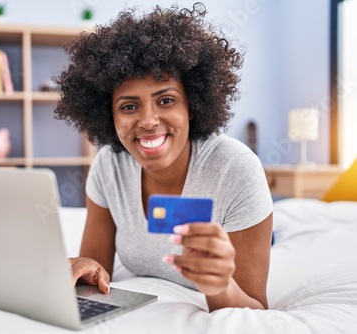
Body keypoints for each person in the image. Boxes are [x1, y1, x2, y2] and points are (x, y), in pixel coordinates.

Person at [54, 3, 273, 312]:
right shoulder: (109, 165)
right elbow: (97, 272)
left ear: (192, 106)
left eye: (166, 100)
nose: (147, 121)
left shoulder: (237, 169)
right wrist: (86, 268)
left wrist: (218, 285)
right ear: (109, 115)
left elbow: (256, 309)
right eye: (129, 106)